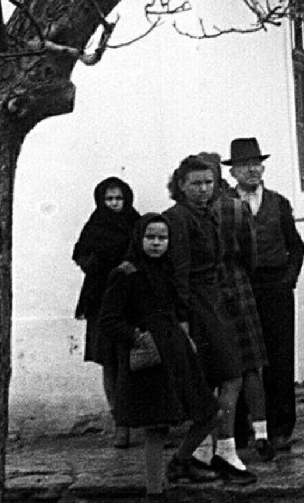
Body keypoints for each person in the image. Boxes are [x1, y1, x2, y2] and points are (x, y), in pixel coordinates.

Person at [98, 213, 220, 495]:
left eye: (162, 238)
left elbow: (176, 308)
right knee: (156, 428)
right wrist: (137, 337)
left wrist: (184, 336)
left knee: (208, 411)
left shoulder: (166, 269)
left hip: (176, 352)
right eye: (150, 237)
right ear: (139, 239)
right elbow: (108, 320)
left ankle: (180, 461)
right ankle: (155, 491)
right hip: (150, 357)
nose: (156, 243)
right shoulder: (126, 273)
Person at [162, 156, 256, 485]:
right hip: (196, 307)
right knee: (228, 376)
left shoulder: (207, 214)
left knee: (228, 376)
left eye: (208, 183)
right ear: (181, 186)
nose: (203, 189)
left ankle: (205, 453)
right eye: (195, 183)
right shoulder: (176, 218)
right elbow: (179, 274)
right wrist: (185, 322)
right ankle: (214, 453)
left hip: (214, 302)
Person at [224, 138, 304, 457]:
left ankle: (281, 428)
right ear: (234, 172)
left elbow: (296, 246)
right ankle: (244, 430)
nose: (253, 170)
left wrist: (288, 280)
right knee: (243, 360)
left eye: (257, 164)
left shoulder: (278, 202)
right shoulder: (224, 203)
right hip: (240, 288)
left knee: (279, 358)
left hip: (276, 288)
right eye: (245, 165)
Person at [193, 151, 273, 464]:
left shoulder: (197, 212)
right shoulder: (236, 208)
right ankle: (261, 432)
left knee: (217, 369)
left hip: (208, 291)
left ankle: (212, 441)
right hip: (238, 286)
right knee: (250, 364)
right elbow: (251, 254)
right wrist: (239, 273)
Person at [72, 176, 141, 448]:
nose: (114, 204)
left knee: (131, 362)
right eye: (109, 199)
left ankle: (136, 419)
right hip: (101, 302)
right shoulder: (94, 226)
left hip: (130, 302)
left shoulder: (136, 224)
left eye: (119, 199)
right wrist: (95, 264)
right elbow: (79, 253)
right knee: (110, 364)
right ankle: (119, 424)